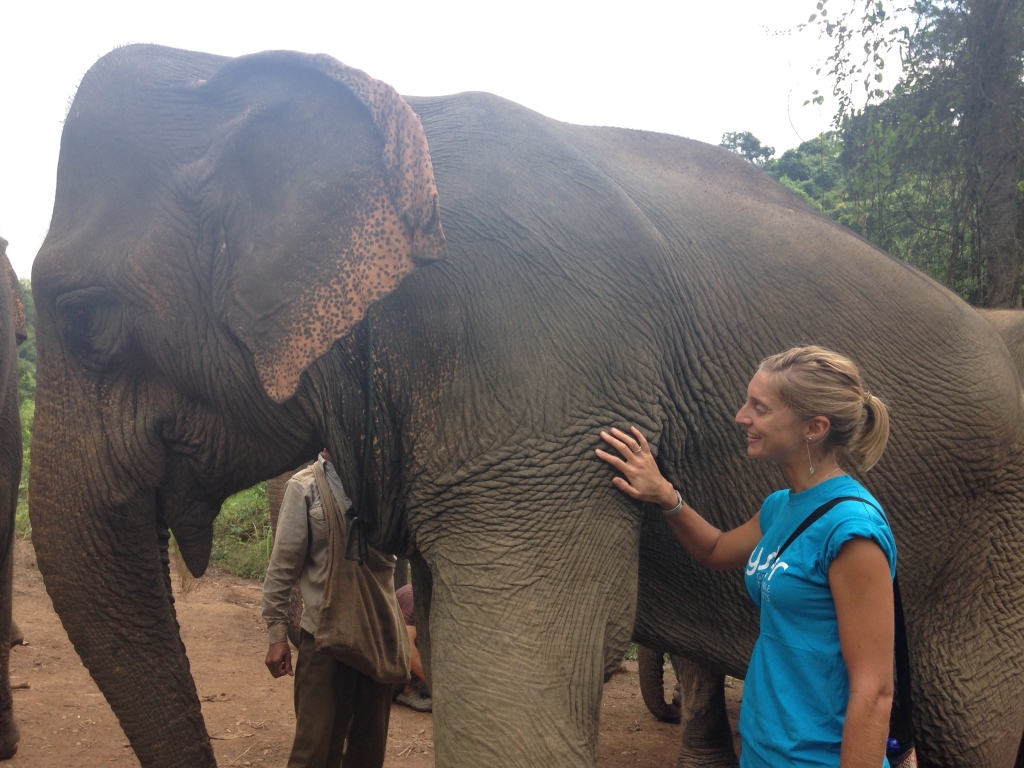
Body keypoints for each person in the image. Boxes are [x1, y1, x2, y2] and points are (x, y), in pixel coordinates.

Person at [597, 346, 896, 767]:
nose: (741, 417)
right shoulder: (781, 506)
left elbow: (875, 690)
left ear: (814, 427)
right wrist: (665, 495)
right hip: (764, 746)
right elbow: (716, 550)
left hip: (816, 757)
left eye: (760, 408)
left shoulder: (851, 531)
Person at [263, 451, 394, 768]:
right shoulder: (304, 487)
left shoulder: (386, 485)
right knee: (315, 751)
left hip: (377, 635)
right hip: (324, 640)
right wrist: (277, 634)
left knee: (368, 752)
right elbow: (282, 568)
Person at [393, 584, 432, 712]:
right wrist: (435, 685)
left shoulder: (427, 596)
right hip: (384, 672)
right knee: (423, 635)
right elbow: (405, 645)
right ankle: (409, 690)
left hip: (395, 667)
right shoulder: (412, 596)